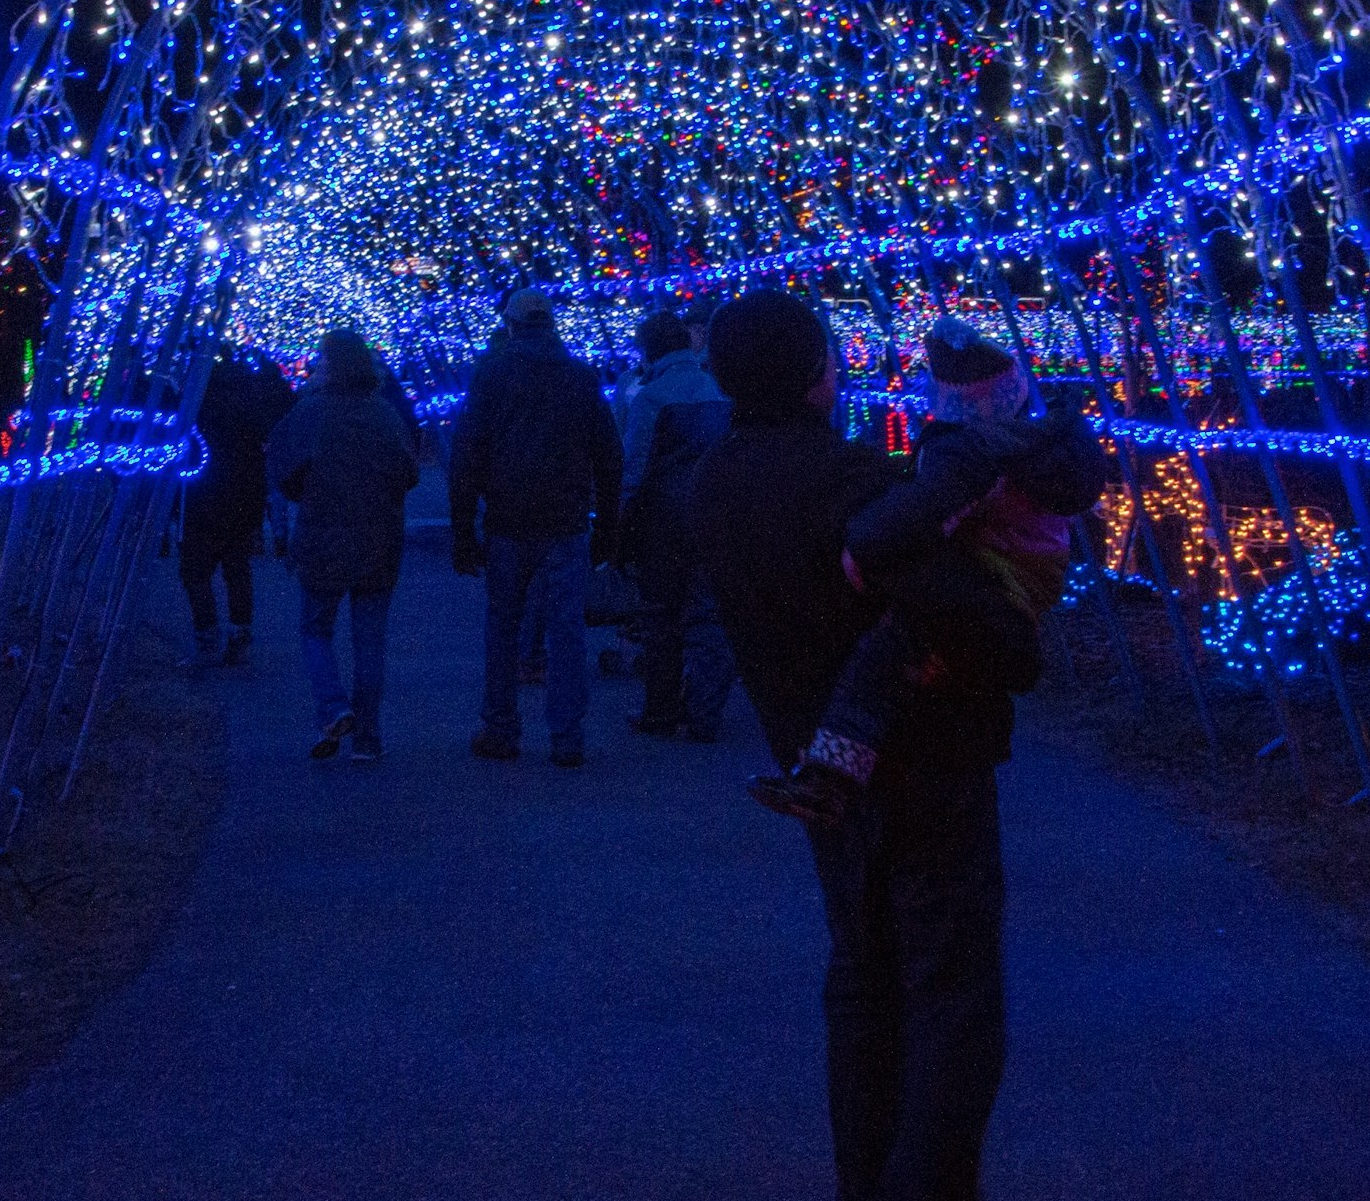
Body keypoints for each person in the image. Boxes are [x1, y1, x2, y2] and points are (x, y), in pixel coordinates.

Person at [688, 290, 1020, 1201]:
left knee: (865, 977)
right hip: (924, 761)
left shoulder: (719, 480)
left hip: (818, 761)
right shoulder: (847, 483)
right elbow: (966, 603)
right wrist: (1017, 638)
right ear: (815, 371)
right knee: (951, 997)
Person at [751, 318, 1107, 824]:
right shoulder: (1040, 439)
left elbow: (929, 519)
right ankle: (840, 766)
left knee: (890, 647)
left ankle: (830, 773)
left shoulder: (974, 454)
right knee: (917, 653)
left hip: (1002, 568)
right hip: (1036, 567)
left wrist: (870, 550)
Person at [446, 286, 622, 765]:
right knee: (566, 629)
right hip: (566, 521)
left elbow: (468, 450)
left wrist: (463, 528)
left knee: (503, 625)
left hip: (507, 519)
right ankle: (567, 737)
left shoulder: (492, 374)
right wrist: (607, 524)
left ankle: (501, 729)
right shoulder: (581, 377)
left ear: (510, 325)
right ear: (552, 324)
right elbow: (609, 454)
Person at [266, 327, 418, 760]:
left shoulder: (311, 413)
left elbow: (282, 467)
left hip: (322, 535)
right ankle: (367, 738)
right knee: (370, 640)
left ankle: (333, 706)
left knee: (316, 629)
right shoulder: (384, 414)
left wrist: (309, 493)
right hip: (378, 537)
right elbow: (408, 472)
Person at [615, 308, 739, 740]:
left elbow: (634, 467)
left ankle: (661, 710)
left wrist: (618, 523)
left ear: (649, 349)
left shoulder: (650, 397)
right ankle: (705, 711)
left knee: (661, 616)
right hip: (714, 512)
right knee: (708, 614)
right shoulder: (720, 391)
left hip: (663, 520)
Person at [179, 345, 296, 667]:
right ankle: (239, 633)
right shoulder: (252, 394)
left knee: (195, 571)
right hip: (244, 492)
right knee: (237, 567)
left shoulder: (197, 399)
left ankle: (207, 636)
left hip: (202, 490)